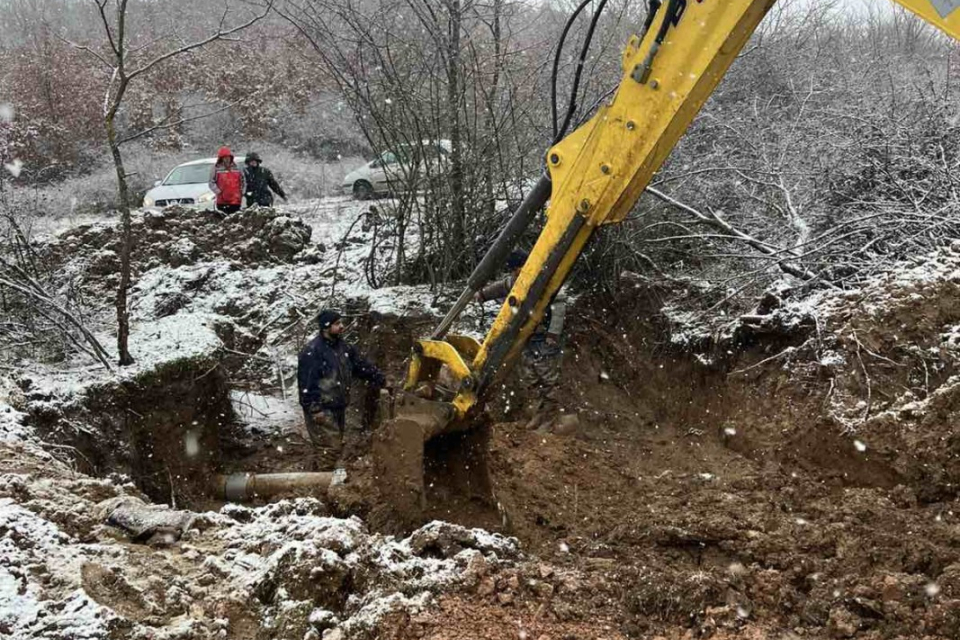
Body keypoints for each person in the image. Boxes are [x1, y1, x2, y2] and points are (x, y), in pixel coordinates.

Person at [475, 250, 569, 432]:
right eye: (514, 270)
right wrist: (483, 295)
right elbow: (502, 287)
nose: (517, 273)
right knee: (530, 376)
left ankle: (550, 418)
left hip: (546, 336)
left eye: (519, 268)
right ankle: (539, 414)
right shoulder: (515, 280)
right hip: (527, 335)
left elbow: (559, 305)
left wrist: (554, 333)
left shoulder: (546, 277)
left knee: (547, 377)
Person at [297, 310, 387, 469]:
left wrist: (381, 379)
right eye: (337, 324)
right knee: (330, 448)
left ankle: (318, 474)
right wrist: (315, 409)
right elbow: (306, 383)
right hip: (322, 408)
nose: (342, 326)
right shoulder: (313, 351)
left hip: (337, 406)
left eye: (341, 323)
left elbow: (361, 366)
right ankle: (321, 483)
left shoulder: (343, 347)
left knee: (333, 446)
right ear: (326, 327)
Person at [208, 146, 245, 214]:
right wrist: (219, 192)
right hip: (222, 200)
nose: (227, 159)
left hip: (236, 200)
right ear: (221, 158)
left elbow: (243, 180)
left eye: (228, 157)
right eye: (224, 157)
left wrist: (242, 192)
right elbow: (211, 182)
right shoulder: (216, 168)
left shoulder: (237, 167)